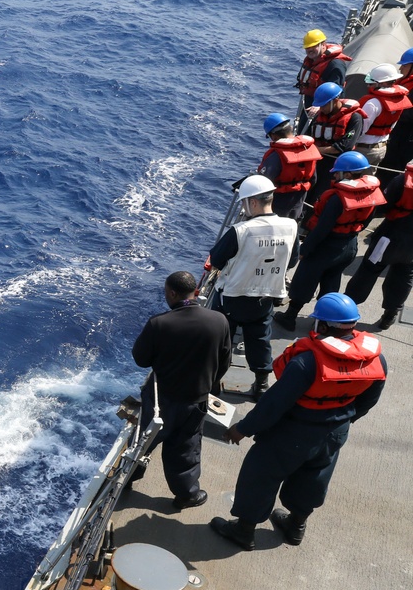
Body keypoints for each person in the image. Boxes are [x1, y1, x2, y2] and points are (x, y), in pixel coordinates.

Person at [210, 293, 386, 550]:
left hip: (292, 431)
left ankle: (244, 530)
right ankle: (296, 526)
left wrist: (242, 429)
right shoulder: (375, 359)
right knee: (314, 477)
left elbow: (274, 404)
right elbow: (369, 400)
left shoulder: (306, 362)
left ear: (323, 326)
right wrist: (341, 419)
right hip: (335, 431)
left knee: (260, 475)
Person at [131, 271, 232, 510]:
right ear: (195, 291)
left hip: (161, 399)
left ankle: (126, 479)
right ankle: (187, 495)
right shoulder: (219, 321)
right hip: (195, 400)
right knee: (185, 448)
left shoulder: (159, 323)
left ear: (173, 293)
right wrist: (207, 383)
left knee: (143, 441)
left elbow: (141, 359)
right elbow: (225, 361)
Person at [209, 175, 299, 399]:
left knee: (222, 341)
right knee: (259, 339)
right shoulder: (290, 226)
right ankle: (261, 384)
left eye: (244, 202)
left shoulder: (241, 231)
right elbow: (293, 260)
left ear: (253, 203)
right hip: (265, 297)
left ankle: (213, 383)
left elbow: (217, 259)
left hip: (232, 297)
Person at [274, 152, 385, 331]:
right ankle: (326, 321)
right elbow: (365, 222)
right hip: (349, 245)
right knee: (331, 281)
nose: (334, 175)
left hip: (326, 246)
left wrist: (305, 249)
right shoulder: (371, 195)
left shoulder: (337, 199)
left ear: (347, 175)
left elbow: (321, 229)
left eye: (338, 172)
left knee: (305, 279)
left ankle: (290, 316)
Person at [345, 161, 413, 329]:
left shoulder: (402, 181)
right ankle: (390, 315)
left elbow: (382, 205)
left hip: (390, 237)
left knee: (368, 270)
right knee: (404, 276)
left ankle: (347, 308)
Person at [306, 82, 367, 204]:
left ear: (335, 100)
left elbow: (346, 145)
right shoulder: (320, 115)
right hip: (316, 161)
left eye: (324, 105)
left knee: (321, 194)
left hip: (335, 165)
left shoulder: (354, 118)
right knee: (309, 190)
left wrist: (318, 150)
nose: (321, 108)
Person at [259, 113, 321, 220]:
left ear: (273, 136)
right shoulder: (309, 149)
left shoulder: (276, 155)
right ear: (290, 128)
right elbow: (313, 179)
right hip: (298, 205)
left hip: (277, 207)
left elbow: (262, 183)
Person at [354, 63, 412, 172]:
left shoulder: (372, 103)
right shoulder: (400, 99)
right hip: (381, 149)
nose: (368, 86)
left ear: (383, 82)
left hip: (364, 149)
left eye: (372, 83)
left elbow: (361, 129)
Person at [379, 47, 413, 189]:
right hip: (395, 134)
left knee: (392, 169)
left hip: (405, 138)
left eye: (404, 65)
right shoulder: (405, 83)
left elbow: (408, 115)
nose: (400, 68)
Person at [296, 29, 350, 109]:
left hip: (326, 109)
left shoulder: (335, 64)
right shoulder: (310, 61)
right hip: (310, 103)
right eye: (307, 47)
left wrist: (319, 107)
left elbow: (336, 91)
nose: (310, 50)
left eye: (314, 46)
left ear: (323, 45)